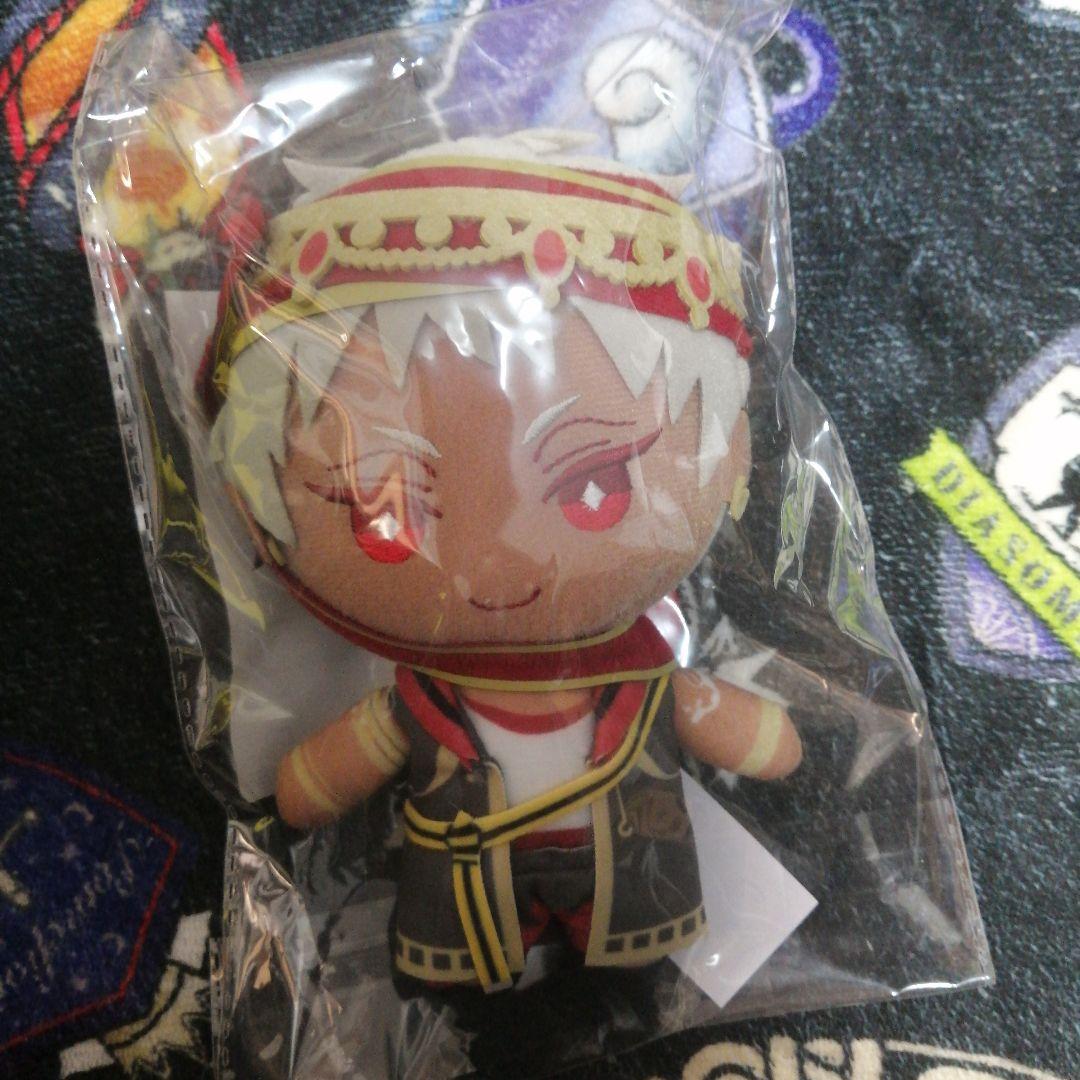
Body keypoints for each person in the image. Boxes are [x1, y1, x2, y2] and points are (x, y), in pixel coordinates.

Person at [202, 130, 802, 992]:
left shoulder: (643, 680)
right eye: (384, 518)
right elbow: (311, 785)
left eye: (595, 488)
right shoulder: (421, 698)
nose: (495, 569)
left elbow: (757, 738)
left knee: (634, 953)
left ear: (732, 450)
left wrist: (760, 733)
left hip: (633, 867)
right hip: (461, 888)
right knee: (461, 966)